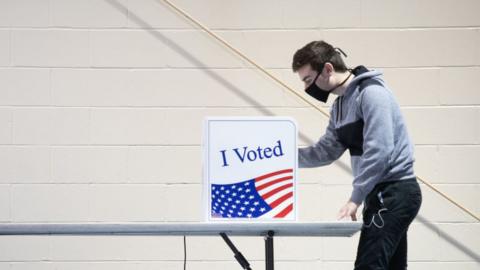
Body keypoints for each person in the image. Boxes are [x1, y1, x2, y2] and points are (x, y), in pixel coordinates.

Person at [292, 40, 422, 270]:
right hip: (378, 193)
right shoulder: (340, 106)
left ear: (328, 69)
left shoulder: (372, 93)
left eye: (308, 80)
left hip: (396, 191)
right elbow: (326, 151)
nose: (306, 88)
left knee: (368, 266)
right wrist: (285, 158)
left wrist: (355, 198)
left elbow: (379, 151)